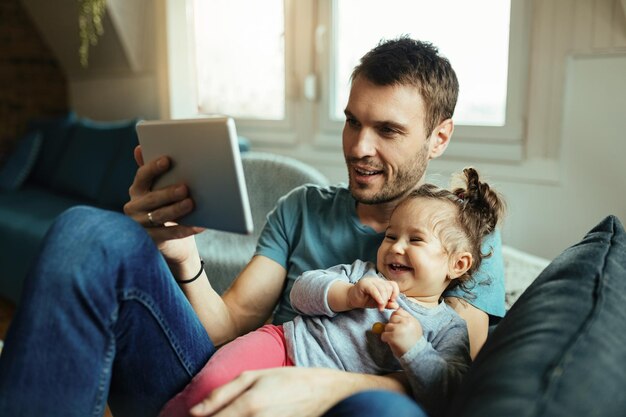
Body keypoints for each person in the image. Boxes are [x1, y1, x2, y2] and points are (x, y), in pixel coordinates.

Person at [0, 36, 505, 417]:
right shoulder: (301, 208)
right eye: (353, 121)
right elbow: (229, 324)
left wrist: (321, 388)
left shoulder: (462, 236)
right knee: (89, 230)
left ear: (438, 137)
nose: (358, 147)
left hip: (342, 405)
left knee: (386, 412)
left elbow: (459, 391)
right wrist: (181, 255)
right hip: (231, 381)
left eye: (388, 130)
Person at [160, 168, 506, 417]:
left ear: (458, 265)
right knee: (212, 386)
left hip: (332, 391)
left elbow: (448, 393)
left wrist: (415, 349)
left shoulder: (448, 328)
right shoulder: (362, 273)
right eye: (390, 236)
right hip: (282, 345)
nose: (395, 248)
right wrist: (350, 293)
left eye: (415, 240)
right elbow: (302, 291)